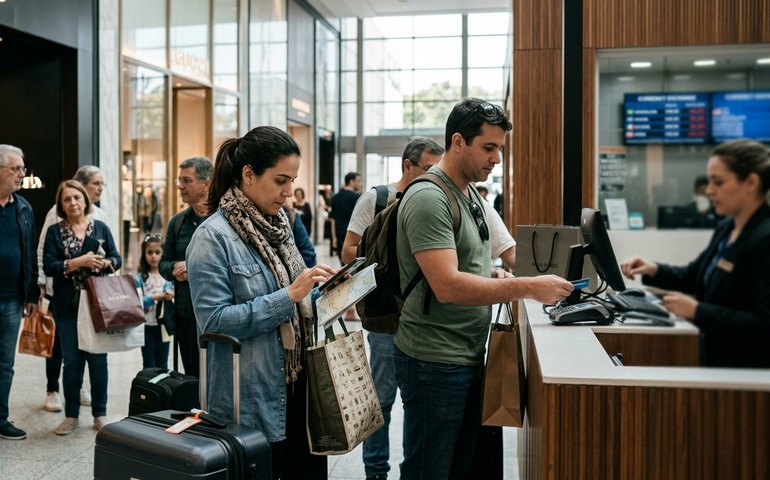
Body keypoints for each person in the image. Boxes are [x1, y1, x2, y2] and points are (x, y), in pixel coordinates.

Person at [394, 98, 573, 479]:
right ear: (458, 142)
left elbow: (464, 262)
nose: (497, 159)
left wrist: (491, 274)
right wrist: (526, 287)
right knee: (429, 469)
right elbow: (447, 285)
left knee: (458, 466)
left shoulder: (469, 193)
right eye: (489, 148)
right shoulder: (429, 198)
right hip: (433, 360)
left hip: (465, 353)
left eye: (500, 149)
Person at [187, 126, 336, 480]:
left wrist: (329, 293)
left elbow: (299, 298)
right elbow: (214, 321)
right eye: (280, 180)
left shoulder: (279, 227)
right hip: (253, 396)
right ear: (249, 175)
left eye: (292, 181)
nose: (289, 192)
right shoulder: (212, 237)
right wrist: (289, 296)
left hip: (299, 387)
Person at [341, 136, 443, 480]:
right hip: (387, 315)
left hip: (425, 317)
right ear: (407, 166)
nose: (434, 176)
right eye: (428, 169)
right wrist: (386, 259)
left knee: (418, 402)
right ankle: (375, 471)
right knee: (382, 398)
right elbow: (349, 249)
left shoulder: (436, 200)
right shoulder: (377, 198)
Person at [621, 139, 770, 368]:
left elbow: (763, 322)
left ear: (751, 182)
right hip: (717, 362)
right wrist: (654, 269)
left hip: (749, 374)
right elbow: (695, 275)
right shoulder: (727, 229)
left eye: (718, 182)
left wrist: (698, 311)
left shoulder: (764, 239)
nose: (709, 190)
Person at [43, 179, 121, 435]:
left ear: (85, 200)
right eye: (67, 199)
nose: (73, 203)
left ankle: (100, 413)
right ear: (61, 205)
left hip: (98, 303)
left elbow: (117, 258)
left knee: (98, 360)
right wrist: (78, 262)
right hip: (67, 305)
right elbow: (49, 266)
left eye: (77, 197)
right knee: (72, 362)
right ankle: (71, 415)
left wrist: (104, 263)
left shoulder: (100, 227)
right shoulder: (55, 232)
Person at [37, 165, 108, 412]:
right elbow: (44, 253)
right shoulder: (56, 218)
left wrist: (106, 265)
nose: (100, 188)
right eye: (96, 183)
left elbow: (112, 254)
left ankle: (83, 393)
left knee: (91, 349)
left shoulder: (100, 218)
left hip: (93, 295)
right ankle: (54, 390)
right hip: (63, 294)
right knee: (61, 347)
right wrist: (41, 283)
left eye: (103, 184)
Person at [159, 156, 213, 377]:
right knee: (192, 375)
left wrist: (195, 270)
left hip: (217, 313)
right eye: (179, 180)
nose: (180, 186)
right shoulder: (177, 222)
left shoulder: (225, 220)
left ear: (206, 184)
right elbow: (163, 263)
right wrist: (175, 268)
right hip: (186, 314)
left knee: (217, 375)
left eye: (186, 180)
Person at [0, 144, 38, 441]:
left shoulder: (24, 208)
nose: (21, 174)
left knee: (5, 365)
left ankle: (0, 419)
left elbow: (30, 253)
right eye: (16, 169)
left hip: (12, 300)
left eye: (22, 169)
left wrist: (31, 295)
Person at [135, 234, 174, 369]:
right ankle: (149, 384)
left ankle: (162, 383)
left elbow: (172, 294)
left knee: (163, 363)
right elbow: (138, 302)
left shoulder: (168, 277)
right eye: (150, 252)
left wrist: (170, 295)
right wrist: (154, 298)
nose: (153, 256)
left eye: (157, 252)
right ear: (144, 254)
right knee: (148, 363)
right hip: (146, 326)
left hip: (164, 325)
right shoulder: (139, 278)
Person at [330, 172, 361, 264]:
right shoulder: (357, 197)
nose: (360, 184)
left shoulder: (335, 198)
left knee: (343, 265)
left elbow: (333, 219)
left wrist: (334, 238)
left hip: (339, 235)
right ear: (351, 181)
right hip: (354, 237)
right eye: (358, 181)